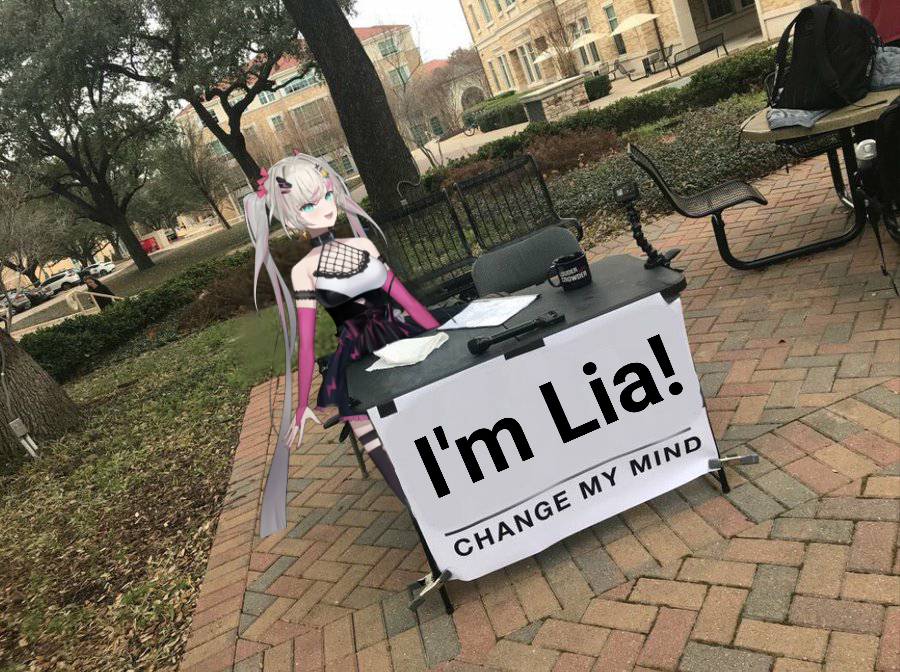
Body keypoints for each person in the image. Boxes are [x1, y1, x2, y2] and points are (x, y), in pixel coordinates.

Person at [245, 152, 440, 538]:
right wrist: (301, 405)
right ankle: (423, 516)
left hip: (398, 332)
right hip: (355, 355)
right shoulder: (304, 271)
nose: (322, 207)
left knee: (427, 407)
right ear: (291, 219)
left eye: (325, 195)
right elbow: (304, 343)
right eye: (307, 205)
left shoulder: (365, 246)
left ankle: (449, 486)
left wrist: (440, 332)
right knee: (367, 427)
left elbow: (406, 299)